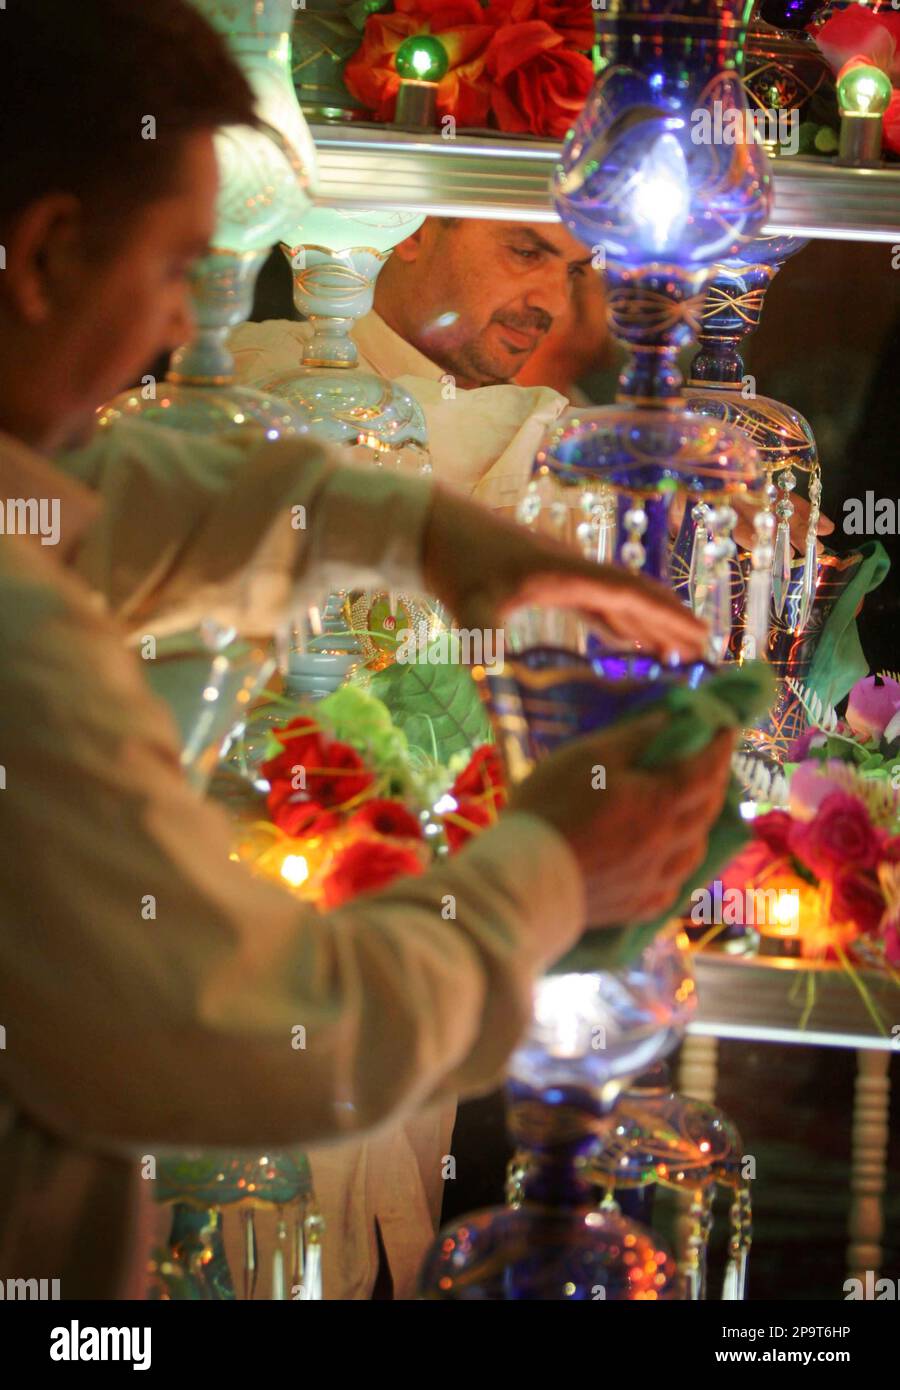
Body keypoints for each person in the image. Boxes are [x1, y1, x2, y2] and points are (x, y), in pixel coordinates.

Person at [0, 0, 735, 1299]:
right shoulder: (32, 654)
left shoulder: (37, 502)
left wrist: (424, 534)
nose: (182, 328)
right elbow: (274, 1039)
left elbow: (110, 513)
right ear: (49, 254)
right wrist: (553, 867)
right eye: (177, 268)